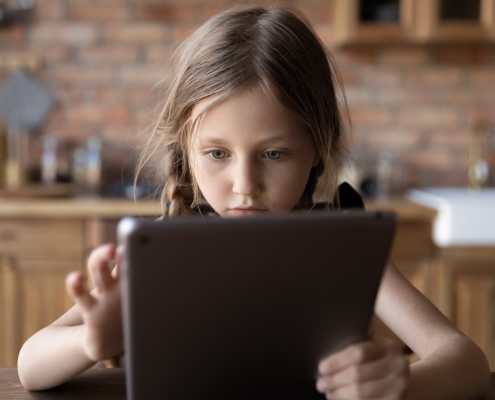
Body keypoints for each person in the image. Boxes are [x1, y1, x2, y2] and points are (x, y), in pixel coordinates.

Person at [18, 6, 490, 399]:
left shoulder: (339, 248)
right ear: (186, 151)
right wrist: (87, 341)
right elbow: (29, 366)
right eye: (218, 154)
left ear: (316, 150)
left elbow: (467, 362)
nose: (245, 184)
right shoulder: (159, 251)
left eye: (274, 154)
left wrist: (399, 386)